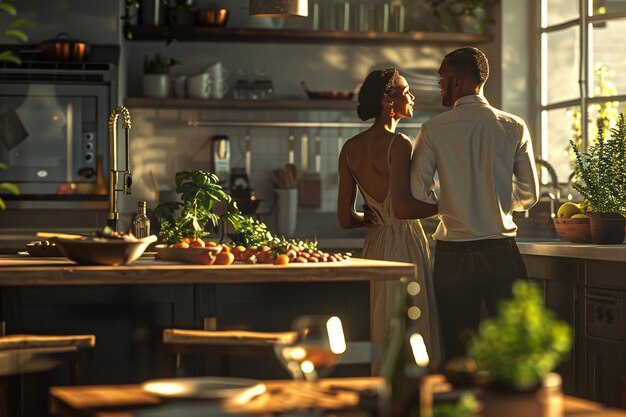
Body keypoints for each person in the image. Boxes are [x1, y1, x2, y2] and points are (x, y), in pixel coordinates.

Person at [407, 47, 539, 362]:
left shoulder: (432, 129)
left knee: (457, 354)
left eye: (442, 79)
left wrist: (453, 204)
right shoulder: (513, 126)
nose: (439, 86)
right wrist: (498, 205)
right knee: (512, 355)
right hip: (499, 250)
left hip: (452, 254)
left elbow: (417, 191)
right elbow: (530, 193)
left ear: (459, 81)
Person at [337, 67, 440, 364]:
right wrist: (446, 206)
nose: (412, 96)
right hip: (404, 241)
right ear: (387, 100)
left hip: (376, 242)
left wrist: (370, 217)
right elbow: (405, 208)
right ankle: (412, 392)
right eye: (405, 91)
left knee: (383, 321)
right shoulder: (399, 144)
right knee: (412, 321)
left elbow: (346, 219)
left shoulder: (349, 149)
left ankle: (385, 390)